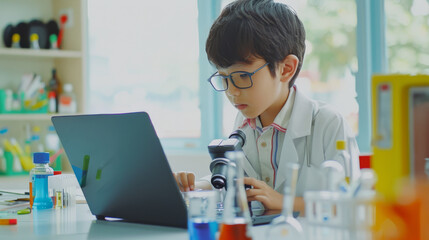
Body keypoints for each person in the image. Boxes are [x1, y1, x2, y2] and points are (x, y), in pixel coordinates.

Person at [174, 0, 360, 213]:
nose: (231, 91)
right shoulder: (244, 123)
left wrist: (284, 202)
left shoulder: (328, 123)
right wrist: (195, 188)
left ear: (286, 69)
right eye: (224, 78)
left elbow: (351, 203)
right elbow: (234, 181)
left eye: (243, 76)